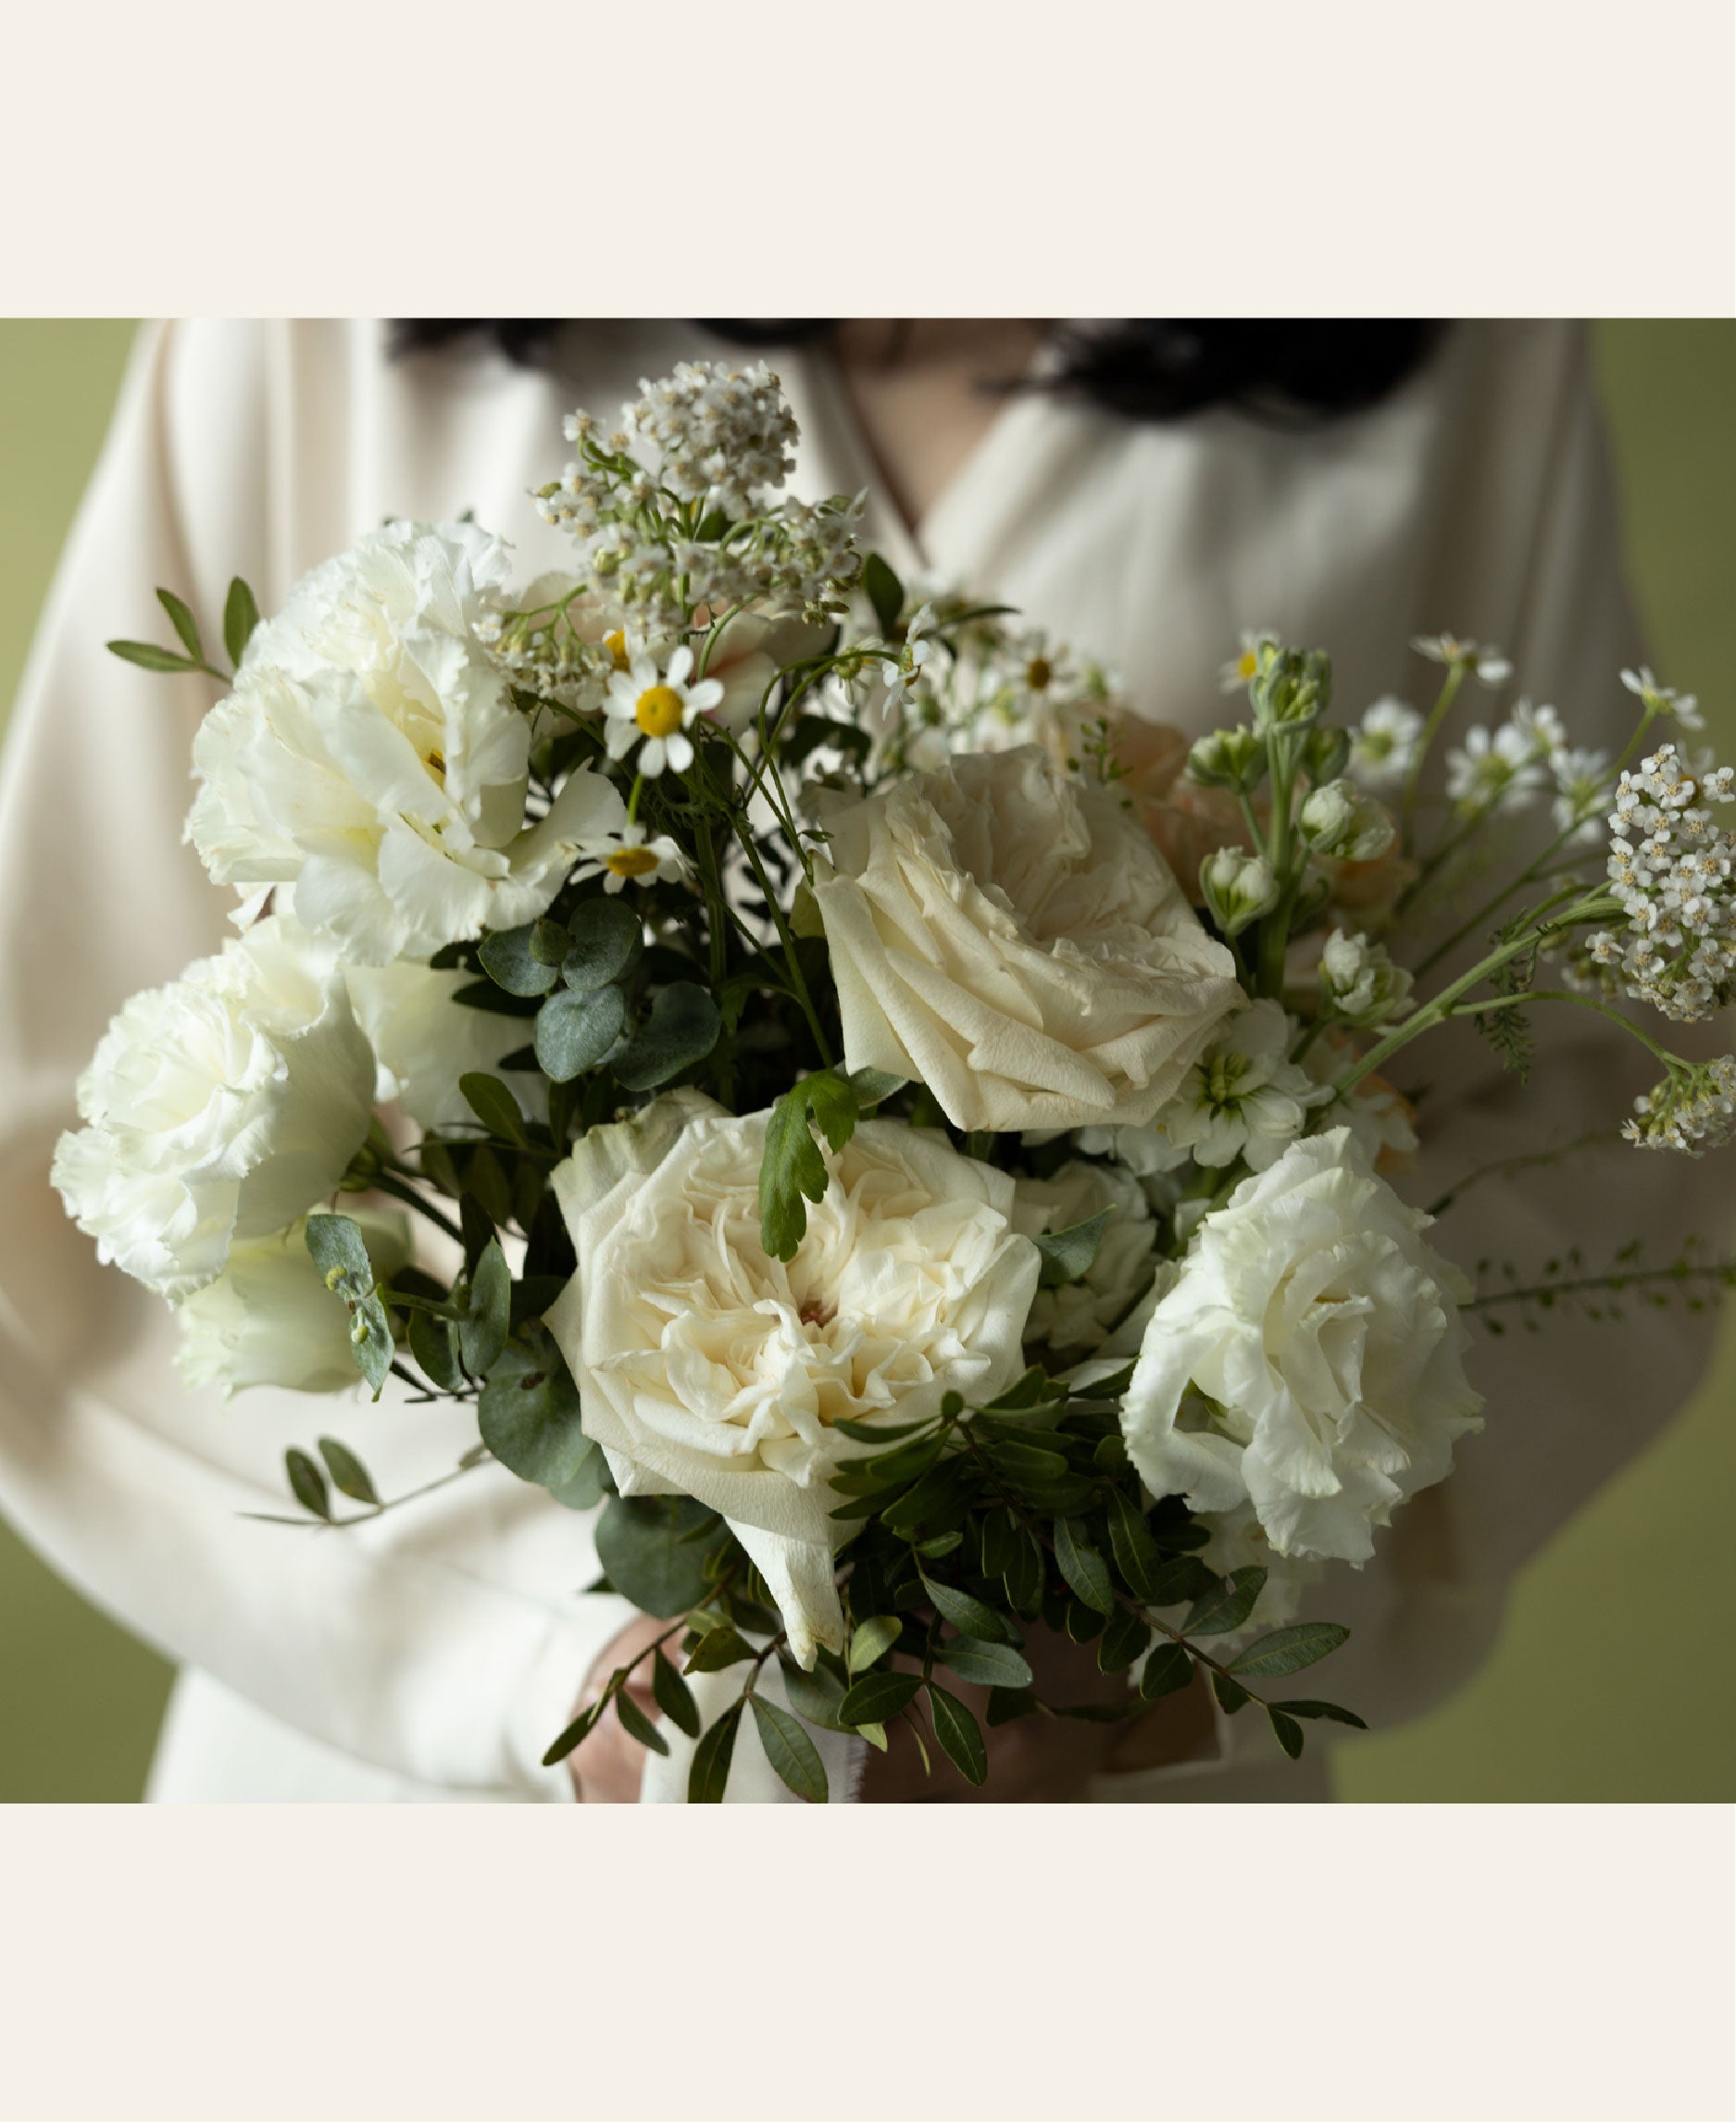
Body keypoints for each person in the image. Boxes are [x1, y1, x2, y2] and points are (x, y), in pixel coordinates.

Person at [0, 317, 1718, 1804]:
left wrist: (1170, 1619)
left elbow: (1602, 1105)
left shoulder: (1439, 317)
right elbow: (73, 1106)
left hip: (1062, 1779)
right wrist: (565, 1652)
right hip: (432, 1769)